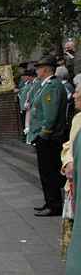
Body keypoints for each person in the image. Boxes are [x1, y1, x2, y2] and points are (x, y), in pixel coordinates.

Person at [31, 55, 68, 217]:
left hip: (49, 138)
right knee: (46, 173)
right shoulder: (46, 85)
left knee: (49, 173)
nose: (37, 70)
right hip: (47, 137)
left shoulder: (52, 87)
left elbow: (50, 115)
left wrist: (43, 135)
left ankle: (54, 206)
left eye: (39, 68)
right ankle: (49, 202)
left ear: (46, 69)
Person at [60, 83, 81, 259]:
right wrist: (68, 162)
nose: (73, 96)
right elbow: (69, 145)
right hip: (74, 185)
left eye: (78, 92)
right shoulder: (77, 118)